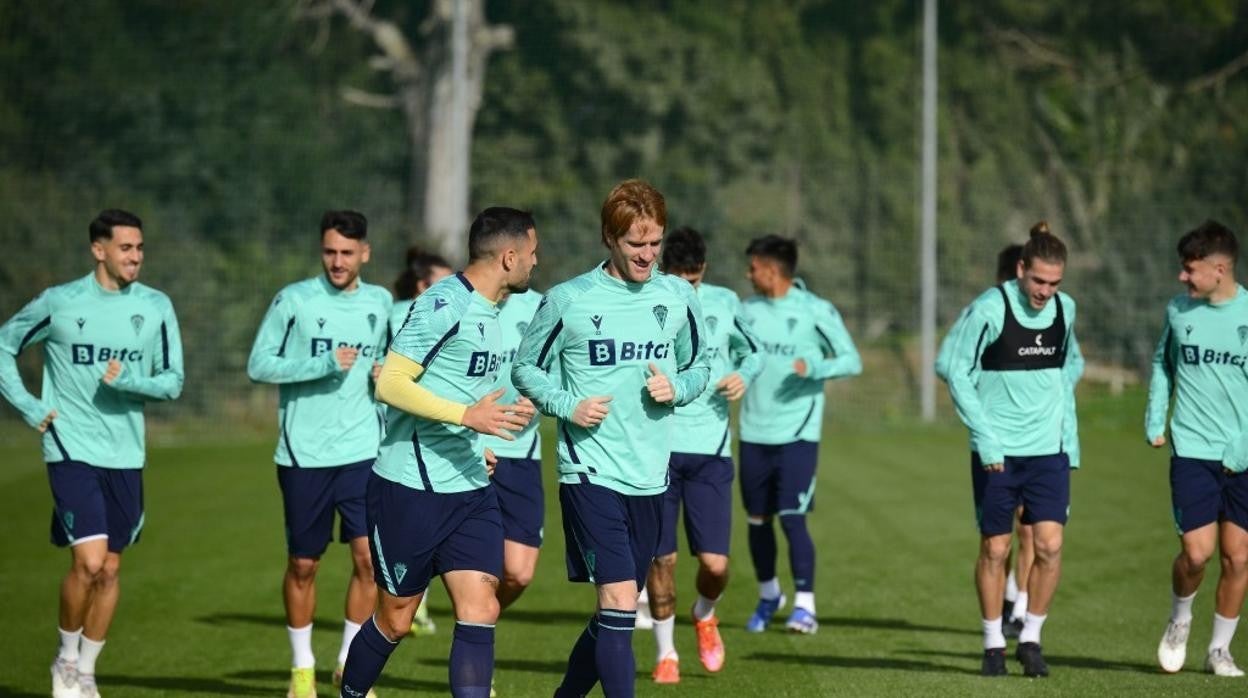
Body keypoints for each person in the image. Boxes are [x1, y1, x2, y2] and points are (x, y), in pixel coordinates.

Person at [512, 179, 710, 698]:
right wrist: (566, 405)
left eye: (654, 243)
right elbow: (526, 369)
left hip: (650, 475)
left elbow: (700, 363)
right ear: (608, 237)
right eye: (634, 244)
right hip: (589, 470)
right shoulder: (568, 300)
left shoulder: (677, 294)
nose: (647, 255)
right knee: (621, 601)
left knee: (615, 613)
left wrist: (680, 387)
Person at [337, 207, 539, 698]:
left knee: (481, 607)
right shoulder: (445, 304)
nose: (537, 262)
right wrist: (466, 419)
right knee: (396, 618)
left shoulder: (495, 312)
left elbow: (463, 392)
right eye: (532, 253)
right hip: (411, 487)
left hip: (469, 486)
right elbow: (390, 382)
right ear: (509, 256)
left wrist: (477, 438)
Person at [0, 209, 184, 698]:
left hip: (126, 454)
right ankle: (64, 660)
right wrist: (27, 404)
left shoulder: (156, 306)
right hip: (70, 445)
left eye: (140, 248)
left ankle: (86, 671)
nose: (136, 257)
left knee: (111, 570)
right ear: (98, 250)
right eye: (126, 248)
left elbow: (173, 381)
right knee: (89, 562)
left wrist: (130, 382)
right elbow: (4, 343)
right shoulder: (59, 303)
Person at [246, 210, 393, 698]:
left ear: (364, 254)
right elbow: (259, 364)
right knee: (303, 566)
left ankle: (350, 665)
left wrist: (384, 376)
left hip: (362, 452)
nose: (337, 261)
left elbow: (393, 366)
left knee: (369, 560)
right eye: (330, 251)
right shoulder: (294, 300)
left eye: (347, 253)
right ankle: (302, 670)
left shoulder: (380, 302)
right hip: (303, 455)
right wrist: (321, 364)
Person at [944, 221, 1078, 677]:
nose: (1045, 291)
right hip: (997, 451)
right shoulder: (989, 309)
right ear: (1020, 270)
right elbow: (956, 372)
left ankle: (1033, 638)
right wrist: (984, 436)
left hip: (1047, 451)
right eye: (1038, 280)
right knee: (996, 549)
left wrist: (1069, 443)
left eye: (1054, 283)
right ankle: (992, 643)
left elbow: (1063, 377)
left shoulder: (1066, 311)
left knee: (1050, 545)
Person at [644, 226, 763, 684]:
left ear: (704, 272)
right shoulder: (645, 303)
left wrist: (744, 375)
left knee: (715, 565)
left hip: (710, 451)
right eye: (679, 279)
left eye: (694, 281)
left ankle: (705, 613)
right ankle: (666, 652)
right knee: (663, 561)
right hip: (656, 449)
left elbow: (751, 354)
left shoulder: (726, 303)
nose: (687, 289)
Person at [737, 235, 861, 635]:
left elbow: (851, 359)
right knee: (758, 521)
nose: (748, 273)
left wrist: (815, 366)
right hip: (753, 431)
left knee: (792, 518)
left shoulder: (815, 310)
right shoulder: (746, 311)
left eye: (753, 267)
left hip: (798, 434)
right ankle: (769, 593)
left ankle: (805, 606)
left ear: (772, 270)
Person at [1149, 220, 1248, 677]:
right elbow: (1162, 365)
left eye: (1190, 270)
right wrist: (1156, 417)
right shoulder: (1178, 312)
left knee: (1239, 557)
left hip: (1243, 454)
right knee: (1196, 553)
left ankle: (1219, 651)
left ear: (1219, 269)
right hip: (1192, 448)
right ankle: (1180, 619)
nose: (1182, 278)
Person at [388, 245, 452, 636]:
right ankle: (403, 605)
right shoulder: (402, 315)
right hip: (395, 438)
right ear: (422, 285)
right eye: (445, 284)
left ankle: (414, 604)